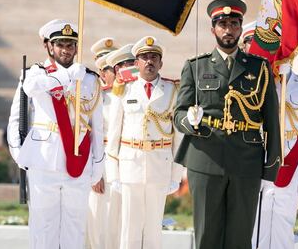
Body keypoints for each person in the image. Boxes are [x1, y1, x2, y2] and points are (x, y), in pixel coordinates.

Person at [173, 0, 281, 249]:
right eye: (222, 24)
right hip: (205, 158)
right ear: (213, 30)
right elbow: (178, 115)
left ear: (241, 29)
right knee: (207, 235)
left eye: (234, 24)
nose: (228, 29)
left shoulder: (259, 67)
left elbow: (271, 121)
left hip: (247, 160)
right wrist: (190, 121)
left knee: (240, 236)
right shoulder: (195, 67)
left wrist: (271, 164)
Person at [16, 20, 105, 249]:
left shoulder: (89, 79)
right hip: (44, 159)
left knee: (75, 225)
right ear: (49, 47)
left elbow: (97, 125)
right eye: (60, 45)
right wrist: (67, 78)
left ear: (77, 48)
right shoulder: (36, 73)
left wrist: (98, 163)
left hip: (78, 156)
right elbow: (31, 89)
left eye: (71, 45)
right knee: (43, 225)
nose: (66, 50)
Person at [244, 28, 298, 249]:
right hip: (257, 155)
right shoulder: (253, 83)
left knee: (284, 222)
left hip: (290, 156)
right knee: (256, 221)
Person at [106, 36, 183, 249]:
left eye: (154, 57)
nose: (149, 61)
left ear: (160, 63)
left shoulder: (173, 90)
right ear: (137, 63)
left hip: (160, 166)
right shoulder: (124, 90)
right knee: (129, 228)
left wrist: (176, 174)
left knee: (153, 229)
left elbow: (179, 137)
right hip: (130, 165)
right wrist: (113, 174)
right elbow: (114, 134)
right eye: (144, 57)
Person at [86, 37, 121, 249]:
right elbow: (87, 135)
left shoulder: (124, 94)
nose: (114, 73)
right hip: (100, 165)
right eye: (107, 68)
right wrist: (94, 172)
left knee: (117, 222)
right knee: (97, 220)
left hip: (121, 164)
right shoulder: (93, 97)